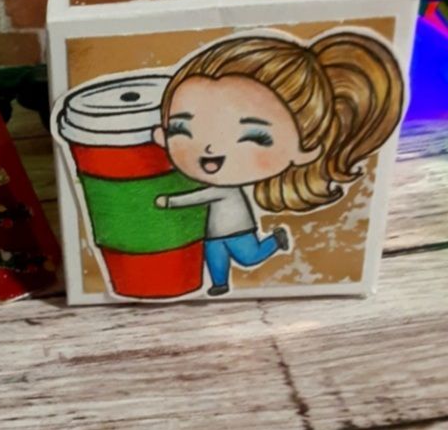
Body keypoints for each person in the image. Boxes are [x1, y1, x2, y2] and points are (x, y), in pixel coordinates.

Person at [153, 32, 404, 296]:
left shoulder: (221, 190)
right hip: (214, 233)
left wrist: (170, 202)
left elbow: (200, 197)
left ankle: (275, 241)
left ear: (306, 150)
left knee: (248, 257)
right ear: (162, 134)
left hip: (238, 230)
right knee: (215, 257)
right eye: (181, 128)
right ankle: (219, 284)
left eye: (253, 136)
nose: (209, 147)